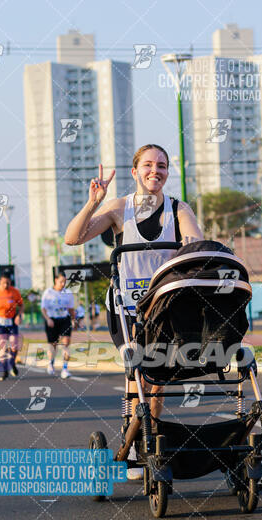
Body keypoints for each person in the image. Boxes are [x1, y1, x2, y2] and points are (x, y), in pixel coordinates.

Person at [65, 144, 203, 478]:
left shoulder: (178, 208)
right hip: (126, 308)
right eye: (148, 165)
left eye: (162, 165)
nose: (156, 171)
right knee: (140, 375)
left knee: (156, 383)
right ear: (135, 171)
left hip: (164, 305)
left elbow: (197, 245)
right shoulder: (119, 208)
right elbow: (73, 238)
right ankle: (131, 442)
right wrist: (93, 202)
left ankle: (142, 443)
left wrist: (191, 252)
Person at [0, 275, 24, 381]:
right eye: (4, 283)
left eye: (8, 283)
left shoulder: (15, 292)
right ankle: (5, 371)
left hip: (12, 322)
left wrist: (18, 315)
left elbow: (21, 305)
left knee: (14, 346)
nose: (6, 285)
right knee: (3, 346)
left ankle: (12, 363)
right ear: (0, 282)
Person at [41, 273, 75, 379]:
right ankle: (51, 363)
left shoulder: (68, 293)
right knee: (53, 344)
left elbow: (71, 309)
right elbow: (43, 308)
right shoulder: (48, 293)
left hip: (65, 319)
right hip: (52, 320)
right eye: (61, 281)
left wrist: (74, 320)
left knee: (66, 342)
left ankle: (65, 369)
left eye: (65, 281)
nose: (63, 283)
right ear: (55, 280)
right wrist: (48, 319)